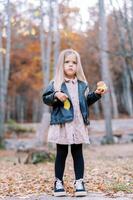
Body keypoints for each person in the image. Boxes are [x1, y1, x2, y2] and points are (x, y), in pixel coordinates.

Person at [42, 49, 107, 197]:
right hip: (63, 123)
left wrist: (97, 94)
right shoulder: (56, 83)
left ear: (78, 66)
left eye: (74, 62)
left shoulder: (82, 84)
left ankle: (79, 182)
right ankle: (58, 182)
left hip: (78, 122)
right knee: (62, 153)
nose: (71, 65)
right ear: (61, 65)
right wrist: (56, 95)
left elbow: (86, 101)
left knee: (78, 152)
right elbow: (45, 98)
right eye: (67, 62)